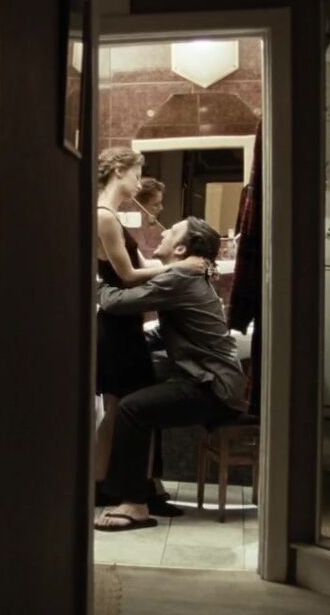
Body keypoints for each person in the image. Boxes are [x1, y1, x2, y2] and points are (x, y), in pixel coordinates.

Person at [93, 216, 249, 532]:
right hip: (216, 384)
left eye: (173, 231)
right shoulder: (186, 277)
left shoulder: (180, 277)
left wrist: (98, 281)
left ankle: (134, 505)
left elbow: (118, 302)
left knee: (131, 408)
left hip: (213, 387)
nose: (164, 232)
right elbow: (174, 332)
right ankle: (146, 491)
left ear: (180, 249)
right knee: (142, 405)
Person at [94, 149, 203, 511]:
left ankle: (115, 485)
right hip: (117, 327)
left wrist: (174, 261)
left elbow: (140, 267)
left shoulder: (112, 217)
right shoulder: (104, 216)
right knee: (124, 409)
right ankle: (113, 486)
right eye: (136, 174)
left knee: (119, 409)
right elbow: (128, 276)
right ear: (119, 171)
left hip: (125, 323)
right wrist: (181, 267)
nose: (139, 182)